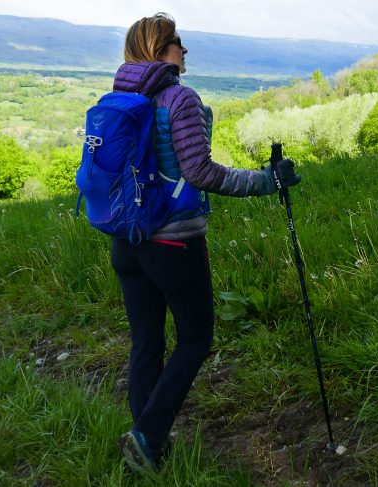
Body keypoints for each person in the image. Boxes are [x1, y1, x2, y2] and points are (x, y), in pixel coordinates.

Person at [111, 13, 301, 472]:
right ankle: (147, 435)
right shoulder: (179, 98)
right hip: (173, 243)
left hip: (126, 241)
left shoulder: (117, 98)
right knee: (196, 338)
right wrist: (266, 182)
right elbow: (201, 172)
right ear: (160, 50)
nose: (185, 50)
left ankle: (149, 449)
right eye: (178, 42)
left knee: (146, 344)